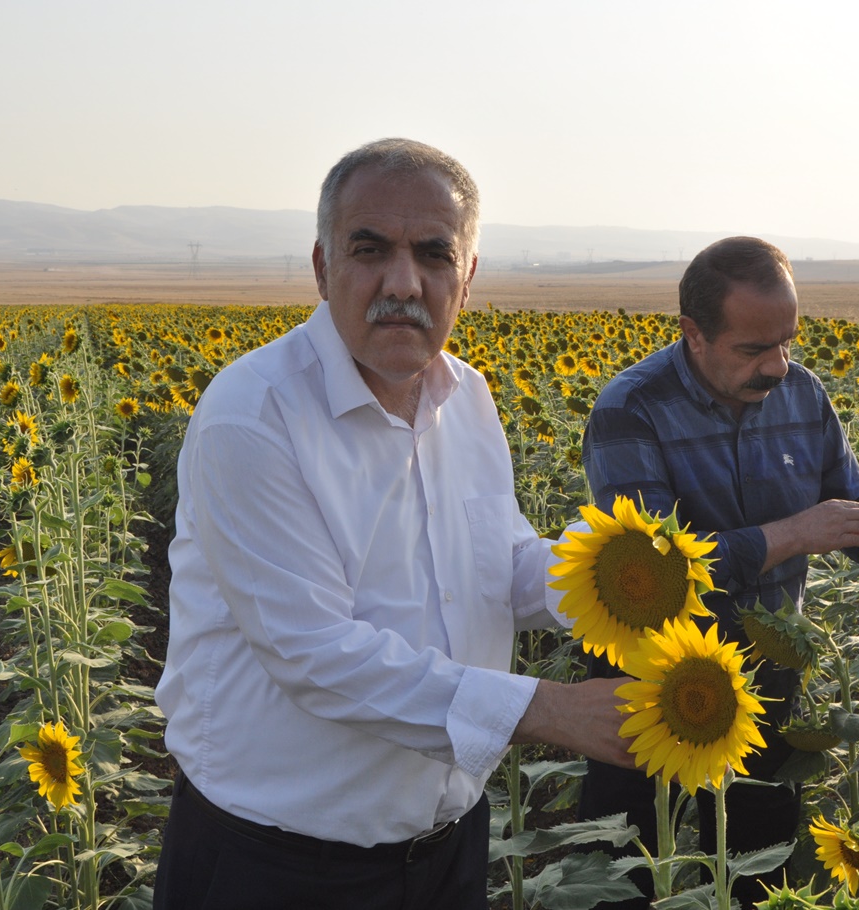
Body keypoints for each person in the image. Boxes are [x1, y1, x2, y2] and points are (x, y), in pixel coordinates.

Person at [153, 138, 634, 910]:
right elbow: (315, 652)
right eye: (370, 249)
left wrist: (623, 582)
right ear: (322, 266)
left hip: (445, 851)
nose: (402, 283)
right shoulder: (254, 416)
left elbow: (498, 565)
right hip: (279, 869)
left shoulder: (468, 399)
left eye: (434, 255)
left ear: (467, 277)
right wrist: (547, 708)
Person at [578, 235, 859, 907]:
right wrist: (790, 536)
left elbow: (848, 503)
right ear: (693, 333)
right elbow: (652, 574)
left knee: (762, 849)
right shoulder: (631, 409)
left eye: (786, 341)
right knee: (626, 851)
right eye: (753, 349)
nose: (778, 365)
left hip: (766, 660)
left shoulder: (803, 395)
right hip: (651, 669)